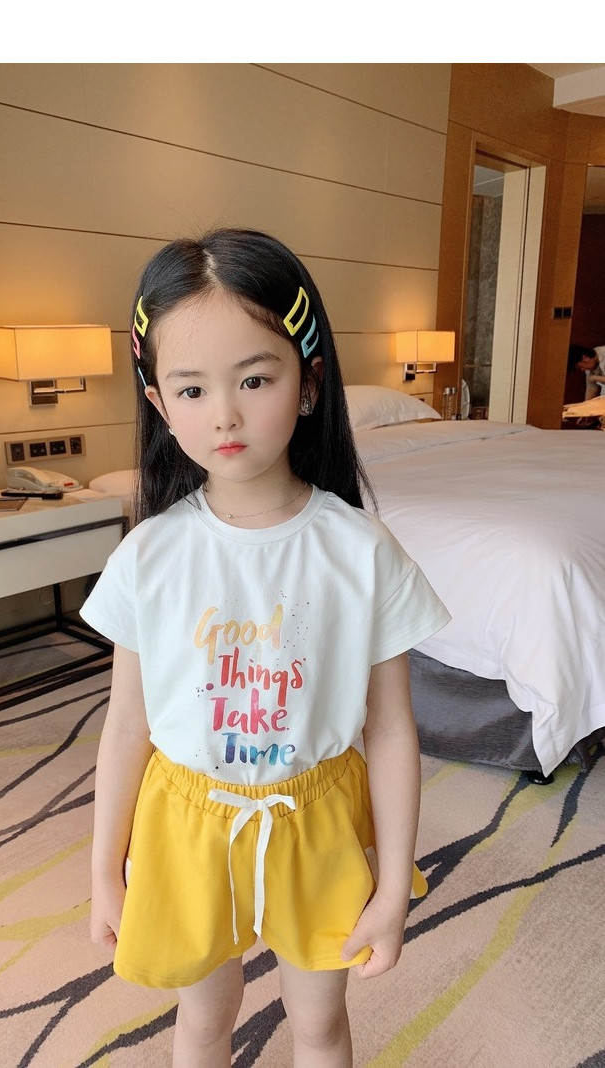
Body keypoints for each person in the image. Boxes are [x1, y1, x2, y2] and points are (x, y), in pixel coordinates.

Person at [81, 228, 450, 1067]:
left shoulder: (360, 550)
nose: (225, 414)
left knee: (318, 1022)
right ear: (158, 401)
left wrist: (395, 882)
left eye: (255, 378)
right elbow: (127, 725)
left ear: (309, 382)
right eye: (192, 388)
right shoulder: (148, 555)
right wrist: (105, 869)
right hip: (185, 825)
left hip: (314, 822)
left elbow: (391, 728)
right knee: (204, 1020)